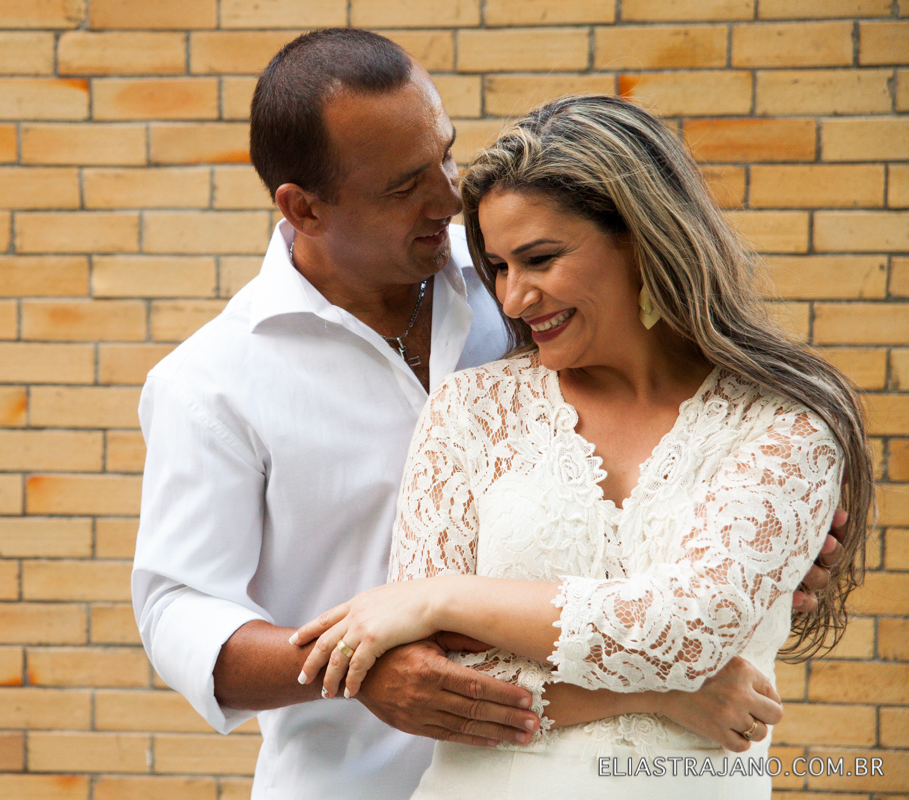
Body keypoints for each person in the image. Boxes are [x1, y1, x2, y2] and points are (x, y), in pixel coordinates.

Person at [133, 29, 842, 800]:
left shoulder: (527, 278)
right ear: (304, 208)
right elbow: (180, 612)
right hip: (352, 779)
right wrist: (364, 669)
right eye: (404, 186)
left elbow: (672, 554)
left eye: (444, 155)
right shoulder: (211, 383)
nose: (448, 199)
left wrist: (761, 554)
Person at [291, 94, 873, 798]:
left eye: (539, 259)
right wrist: (661, 693)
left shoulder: (786, 419)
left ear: (642, 238)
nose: (512, 299)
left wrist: (443, 596)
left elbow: (694, 627)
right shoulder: (472, 410)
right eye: (498, 266)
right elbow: (434, 682)